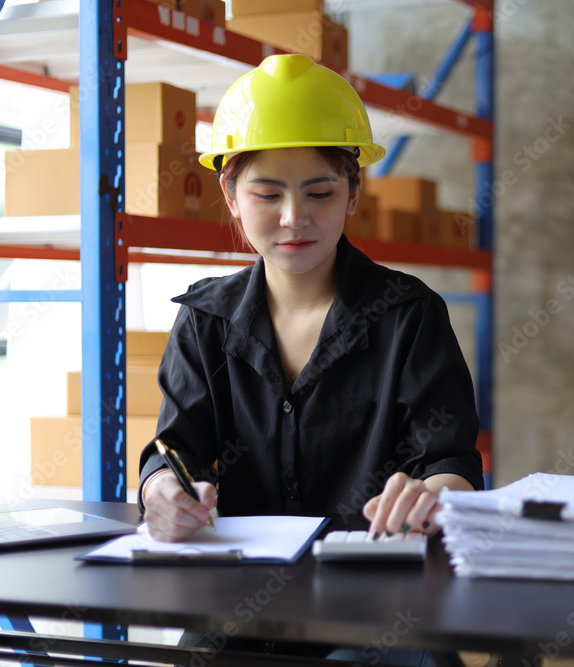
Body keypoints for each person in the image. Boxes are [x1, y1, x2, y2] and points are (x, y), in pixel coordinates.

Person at [136, 54, 483, 662]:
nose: (294, 219)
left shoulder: (409, 316)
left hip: (378, 606)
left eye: (319, 192)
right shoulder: (205, 321)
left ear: (352, 191)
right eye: (266, 194)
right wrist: (161, 490)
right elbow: (174, 451)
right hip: (240, 605)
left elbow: (448, 461)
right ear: (231, 195)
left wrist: (433, 496)